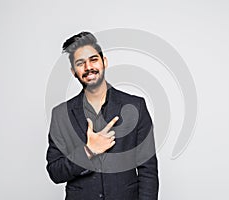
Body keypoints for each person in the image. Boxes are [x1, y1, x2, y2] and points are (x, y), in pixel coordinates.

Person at [46, 31, 159, 200]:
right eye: (80, 63)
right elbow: (55, 172)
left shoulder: (136, 106)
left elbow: (148, 171)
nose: (88, 67)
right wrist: (88, 151)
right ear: (73, 71)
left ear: (104, 62)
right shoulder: (61, 115)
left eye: (93, 60)